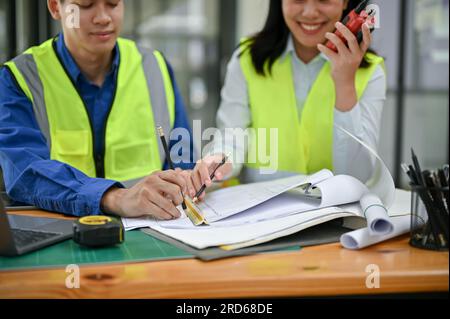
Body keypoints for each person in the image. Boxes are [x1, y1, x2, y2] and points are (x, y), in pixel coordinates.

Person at [0, 0, 196, 219]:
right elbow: (25, 172)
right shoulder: (20, 78)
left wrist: (190, 179)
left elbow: (182, 155)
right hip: (60, 235)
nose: (103, 17)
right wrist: (114, 197)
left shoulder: (155, 66)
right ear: (56, 7)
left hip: (155, 231)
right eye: (85, 5)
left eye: (113, 3)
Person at [190, 0, 386, 201]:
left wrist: (345, 83)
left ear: (345, 2)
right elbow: (232, 134)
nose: (310, 12)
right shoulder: (247, 59)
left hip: (332, 217)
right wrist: (218, 159)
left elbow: (357, 175)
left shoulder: (371, 72)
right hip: (257, 211)